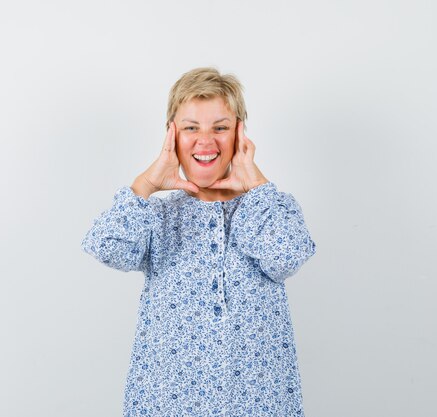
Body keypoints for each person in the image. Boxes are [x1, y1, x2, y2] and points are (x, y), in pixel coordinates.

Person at [81, 67, 317, 417]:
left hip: (258, 403)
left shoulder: (266, 208)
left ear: (240, 134)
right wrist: (146, 183)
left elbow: (287, 256)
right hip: (167, 402)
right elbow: (107, 247)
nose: (205, 141)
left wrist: (258, 186)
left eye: (220, 128)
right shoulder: (157, 216)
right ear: (171, 136)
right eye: (191, 128)